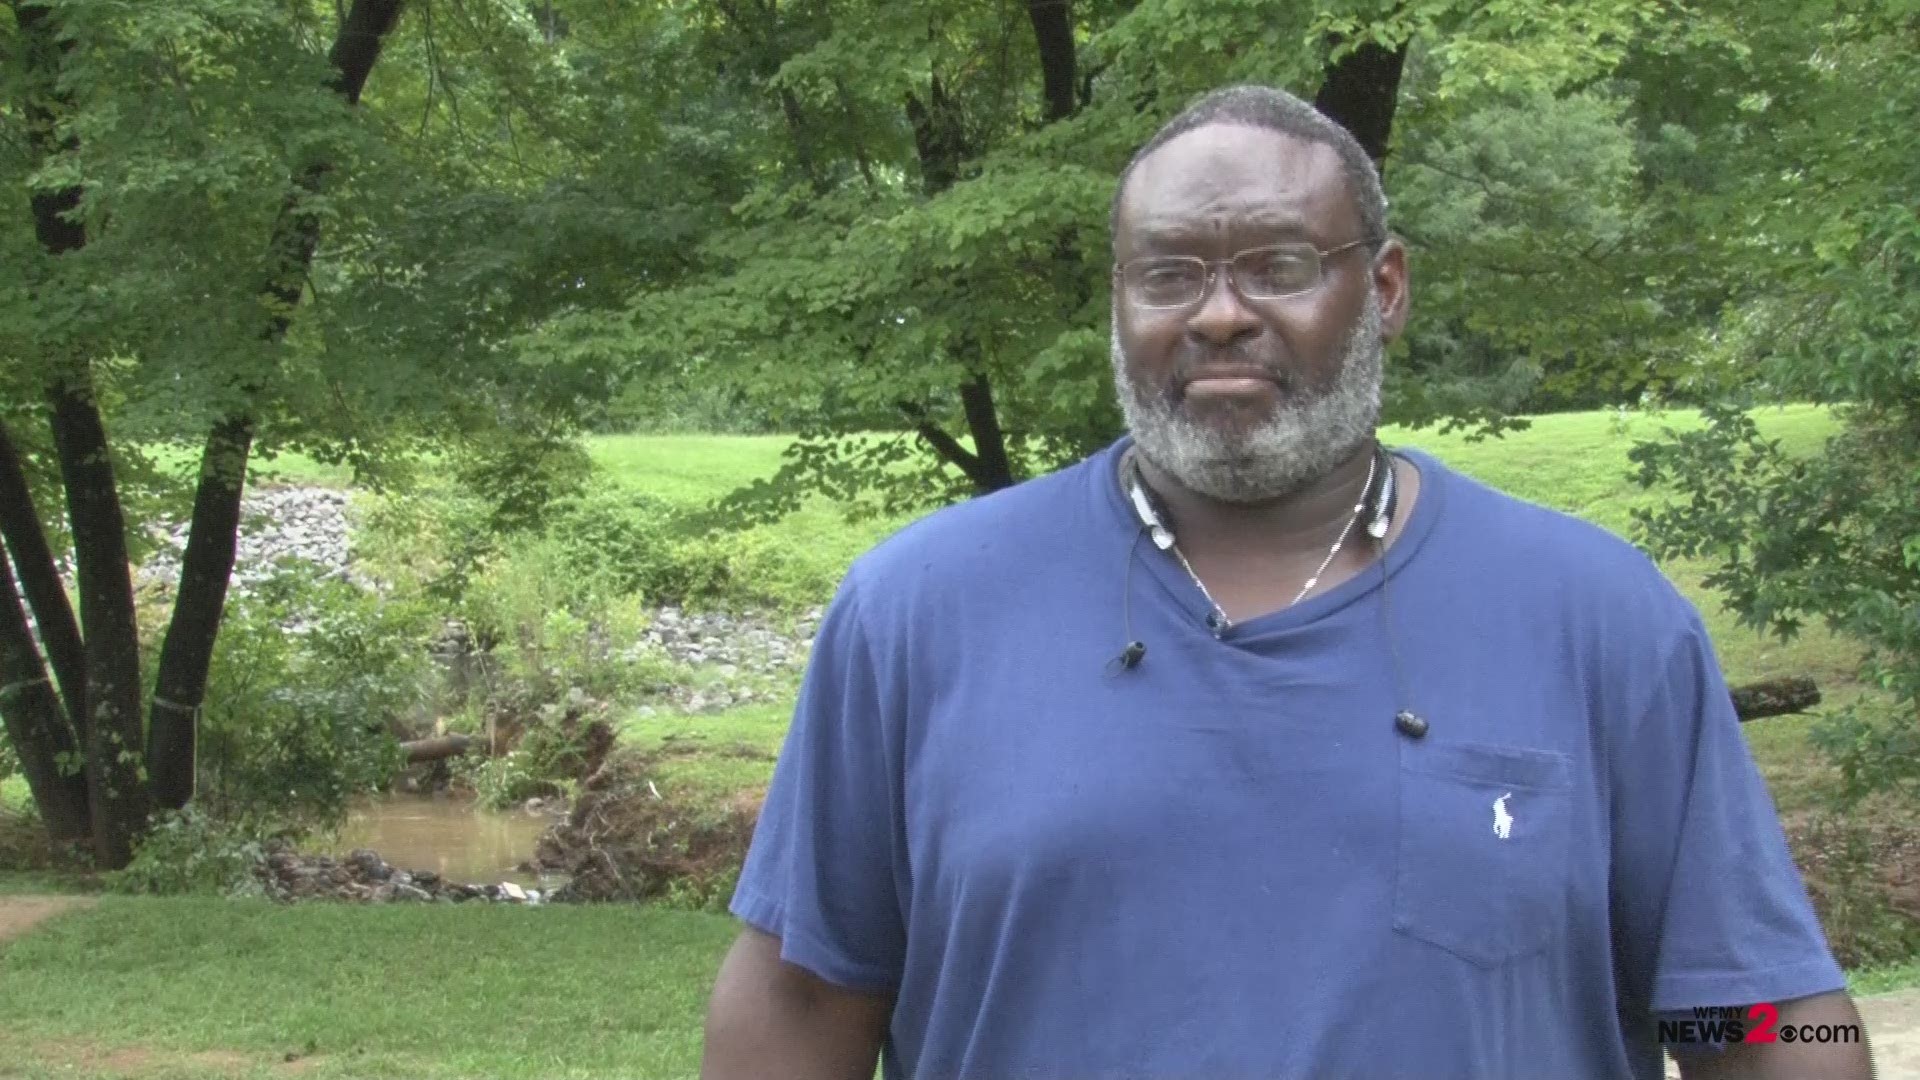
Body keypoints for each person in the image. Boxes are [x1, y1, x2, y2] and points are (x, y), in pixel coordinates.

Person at [699, 84, 1873, 1080]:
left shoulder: (1598, 618)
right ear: (1119, 303)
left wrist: (1751, 1029)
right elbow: (806, 1002)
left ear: (1388, 288)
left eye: (1280, 265)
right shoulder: (917, 614)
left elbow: (1756, 1010)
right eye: (1168, 276)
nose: (1219, 315)